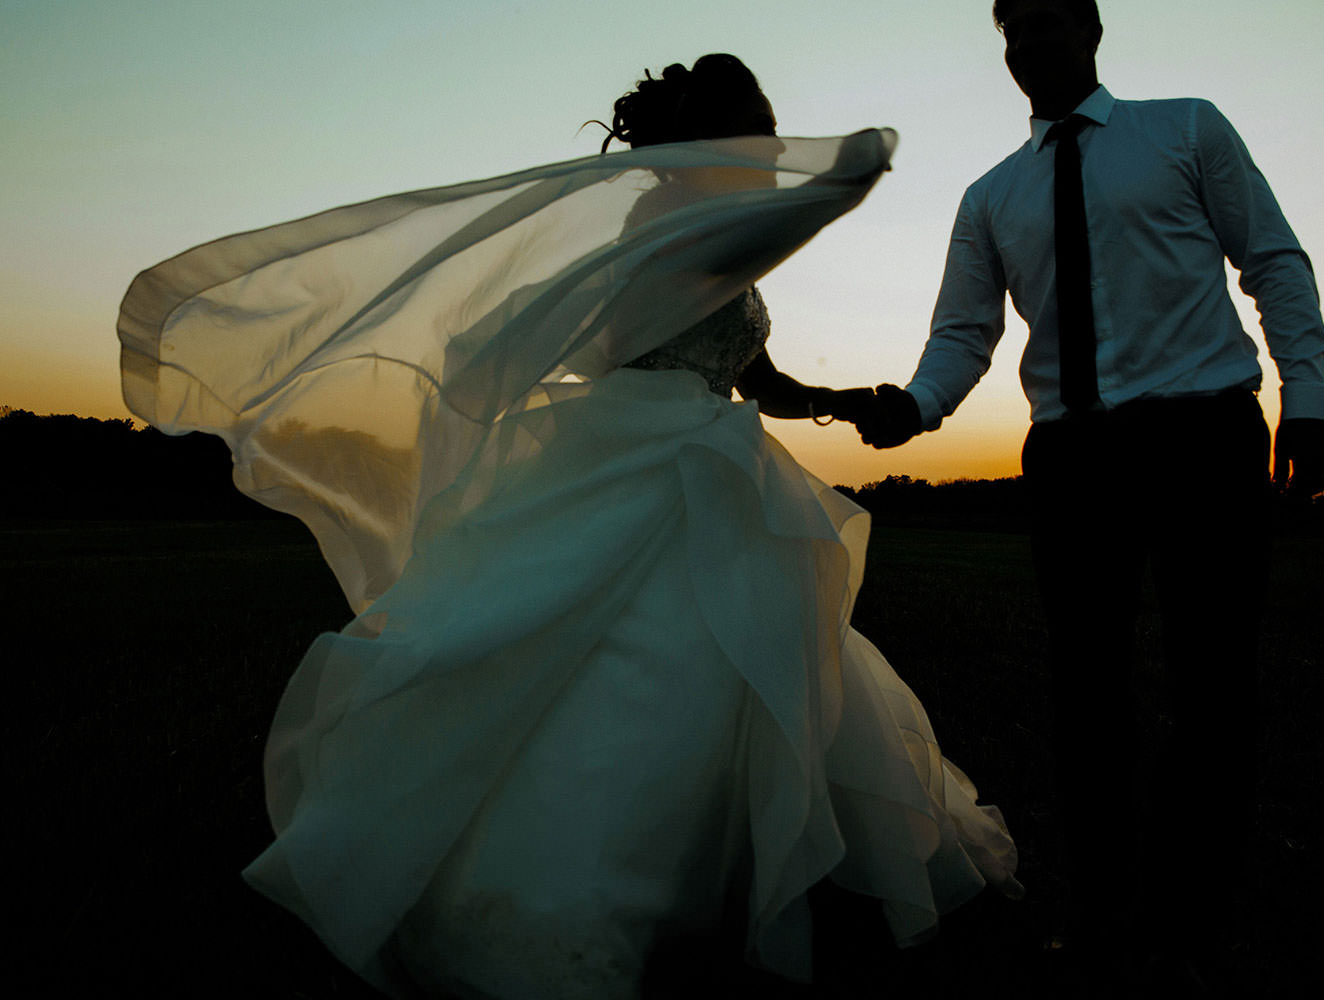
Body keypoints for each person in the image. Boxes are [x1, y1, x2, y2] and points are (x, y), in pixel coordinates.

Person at [117, 54, 1021, 999]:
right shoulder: (659, 227)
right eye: (753, 127)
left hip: (721, 455)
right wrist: (834, 186)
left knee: (752, 660)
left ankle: (729, 867)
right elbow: (621, 331)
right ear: (707, 138)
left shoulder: (735, 233)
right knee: (647, 670)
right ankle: (584, 896)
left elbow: (762, 377)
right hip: (640, 458)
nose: (767, 143)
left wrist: (849, 400)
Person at [853, 2, 1324, 993]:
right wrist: (914, 406)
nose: (1029, 43)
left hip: (1206, 436)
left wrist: (1310, 397)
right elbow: (963, 336)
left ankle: (1192, 924)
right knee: (1087, 697)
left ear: (1090, 28)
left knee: (1214, 690)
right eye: (1012, 29)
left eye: (1047, 20)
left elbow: (1272, 259)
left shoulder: (1187, 128)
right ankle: (1104, 918)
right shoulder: (992, 196)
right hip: (1073, 458)